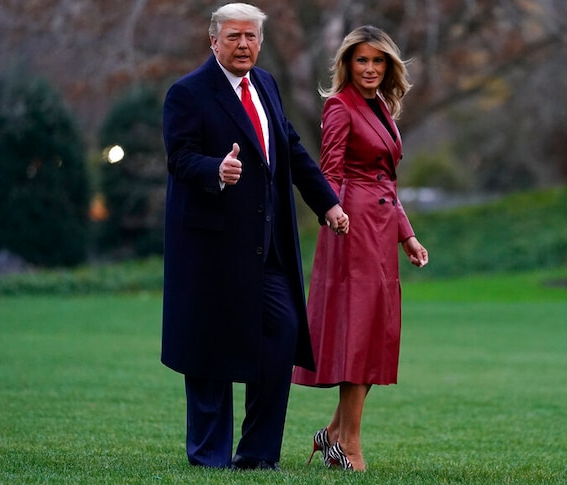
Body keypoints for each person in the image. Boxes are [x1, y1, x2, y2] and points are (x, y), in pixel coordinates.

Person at [160, 3, 349, 471]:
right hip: (210, 250)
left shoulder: (265, 85)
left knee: (282, 333)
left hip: (267, 250)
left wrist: (326, 202)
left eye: (250, 37)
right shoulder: (187, 93)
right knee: (209, 351)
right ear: (213, 41)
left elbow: (291, 147)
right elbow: (180, 158)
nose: (243, 45)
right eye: (233, 38)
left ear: (260, 42)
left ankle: (259, 455)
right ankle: (209, 457)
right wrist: (217, 171)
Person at [291, 25, 429, 472]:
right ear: (347, 64)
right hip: (350, 230)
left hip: (380, 230)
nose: (370, 69)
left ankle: (333, 434)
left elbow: (387, 181)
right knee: (357, 336)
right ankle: (347, 444)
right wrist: (330, 214)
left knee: (372, 335)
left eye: (378, 61)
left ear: (389, 66)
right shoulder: (339, 106)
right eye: (361, 60)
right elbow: (329, 171)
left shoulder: (382, 107)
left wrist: (406, 235)